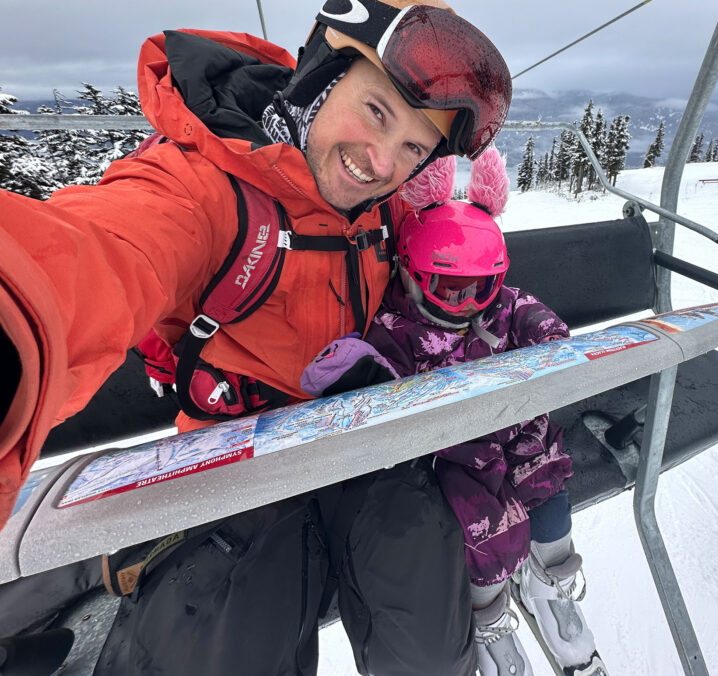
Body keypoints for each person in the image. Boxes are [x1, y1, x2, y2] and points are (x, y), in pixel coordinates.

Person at [0, 1, 512, 674]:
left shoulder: (381, 205)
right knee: (233, 614)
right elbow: (86, 256)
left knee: (423, 604)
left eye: (415, 147)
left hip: (358, 438)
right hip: (235, 464)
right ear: (322, 75)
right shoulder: (204, 189)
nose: (382, 160)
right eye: (377, 112)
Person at [301, 149, 607, 676]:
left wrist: (549, 342)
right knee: (484, 531)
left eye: (479, 289)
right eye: (448, 289)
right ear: (411, 273)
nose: (465, 304)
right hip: (455, 457)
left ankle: (551, 576)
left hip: (515, 430)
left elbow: (528, 312)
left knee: (549, 482)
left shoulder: (501, 305)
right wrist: (359, 374)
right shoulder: (397, 327)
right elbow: (381, 381)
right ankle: (488, 613)